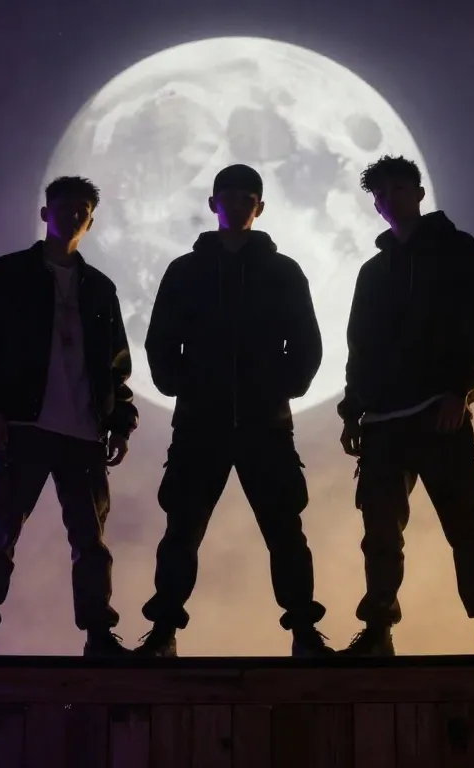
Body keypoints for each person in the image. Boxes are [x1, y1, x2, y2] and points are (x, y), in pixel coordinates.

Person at [134, 164, 332, 658]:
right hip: (200, 424)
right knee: (182, 529)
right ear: (213, 204)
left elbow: (306, 340)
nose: (238, 204)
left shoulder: (283, 271)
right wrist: (181, 385)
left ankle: (304, 632)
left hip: (266, 424)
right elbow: (161, 339)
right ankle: (163, 632)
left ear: (259, 207)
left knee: (285, 530)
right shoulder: (185, 271)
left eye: (247, 197)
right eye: (230, 196)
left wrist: (283, 387)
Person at [0, 176, 138, 657]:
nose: (73, 216)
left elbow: (115, 364)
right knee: (0, 532)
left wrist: (119, 421)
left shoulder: (100, 289)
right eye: (64, 207)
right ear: (45, 213)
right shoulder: (8, 274)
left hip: (84, 432)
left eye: (82, 210)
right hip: (23, 427)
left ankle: (99, 636)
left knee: (90, 541)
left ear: (90, 221)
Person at [336, 155, 474, 656]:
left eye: (399, 189)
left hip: (440, 413)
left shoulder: (456, 250)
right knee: (380, 532)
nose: (390, 199)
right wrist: (352, 411)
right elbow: (359, 347)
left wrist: (460, 389)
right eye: (381, 194)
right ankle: (378, 631)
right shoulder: (373, 272)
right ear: (375, 205)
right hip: (382, 421)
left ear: (418, 193)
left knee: (464, 522)